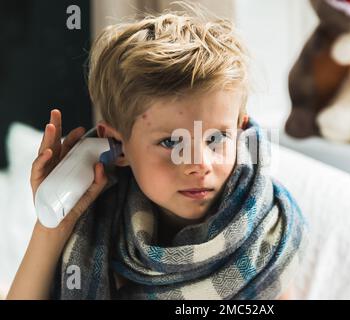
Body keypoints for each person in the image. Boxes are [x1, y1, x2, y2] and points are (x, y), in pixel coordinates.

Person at [7, 5, 307, 300]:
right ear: (118, 145)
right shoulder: (101, 226)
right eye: (171, 143)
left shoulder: (264, 234)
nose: (199, 164)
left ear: (240, 130)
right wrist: (52, 225)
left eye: (216, 137)